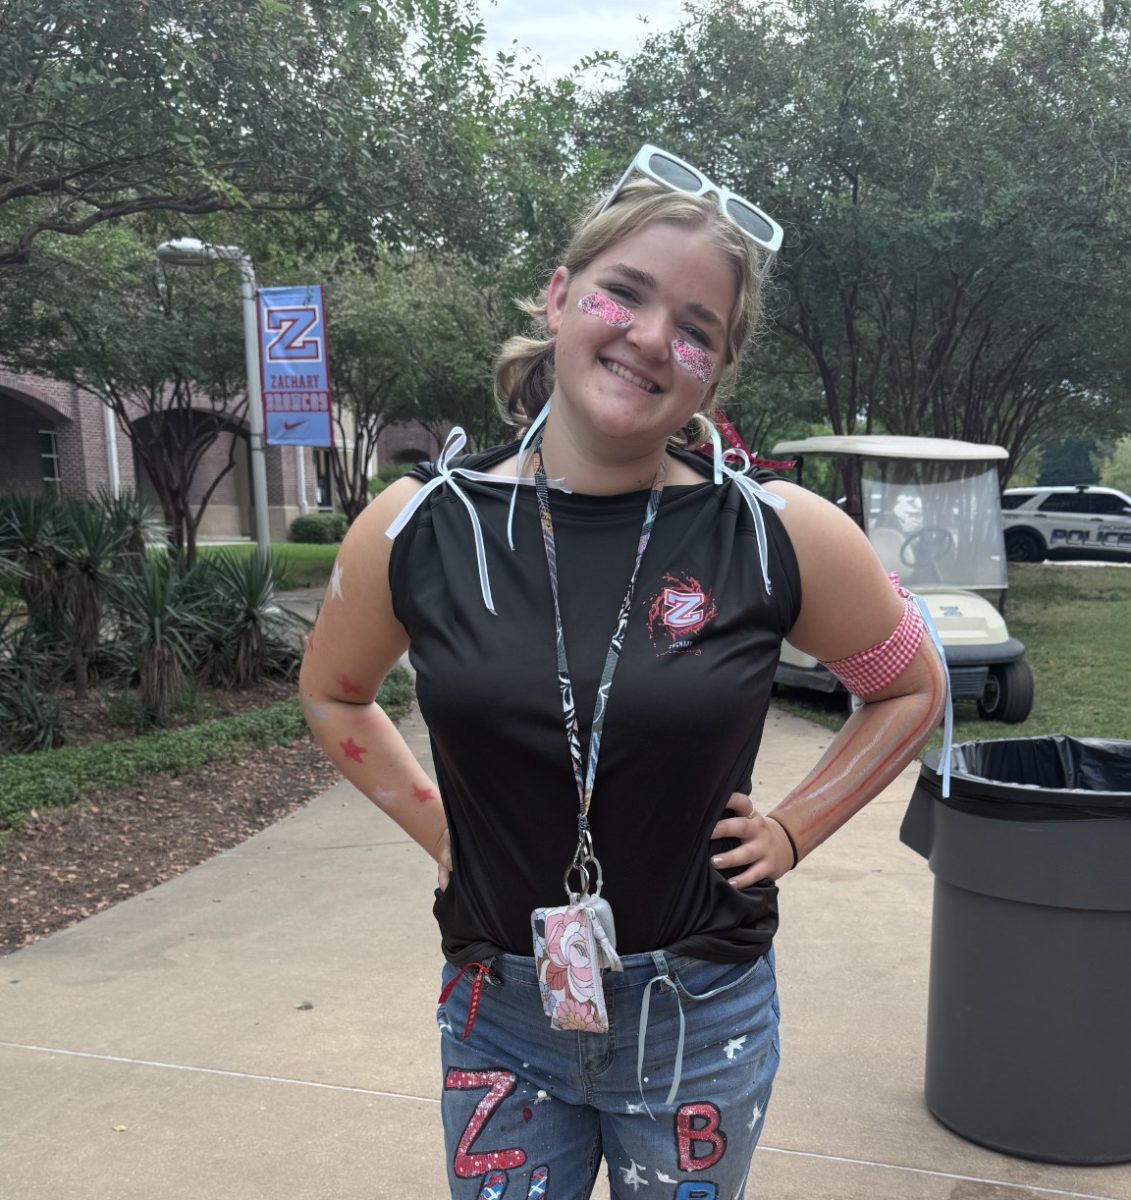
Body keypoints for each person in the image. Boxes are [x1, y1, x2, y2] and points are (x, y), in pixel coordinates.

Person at [299, 144, 947, 1199]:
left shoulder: (774, 535)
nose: (652, 339)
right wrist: (438, 826)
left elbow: (909, 686)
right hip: (498, 1009)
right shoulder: (418, 530)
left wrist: (795, 828)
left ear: (717, 367)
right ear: (561, 297)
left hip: (701, 1013)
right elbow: (333, 691)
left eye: (696, 329)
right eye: (625, 295)